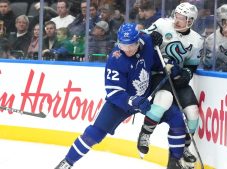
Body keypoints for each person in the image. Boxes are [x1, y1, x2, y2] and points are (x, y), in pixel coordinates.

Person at [54, 23, 190, 169]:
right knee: (95, 133)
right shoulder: (116, 58)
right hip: (122, 103)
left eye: (131, 44)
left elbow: (156, 63)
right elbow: (113, 92)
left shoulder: (148, 42)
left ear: (138, 40)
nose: (128, 49)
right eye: (123, 45)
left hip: (146, 97)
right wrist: (132, 100)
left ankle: (175, 162)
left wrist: (170, 67)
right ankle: (67, 162)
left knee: (176, 117)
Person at [137, 2, 204, 168]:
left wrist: (187, 74)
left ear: (190, 21)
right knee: (164, 99)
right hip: (158, 74)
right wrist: (149, 38)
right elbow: (140, 40)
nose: (177, 20)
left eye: (182, 18)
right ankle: (145, 133)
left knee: (193, 113)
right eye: (177, 16)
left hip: (176, 76)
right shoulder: (161, 24)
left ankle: (185, 147)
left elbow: (191, 64)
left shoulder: (196, 40)